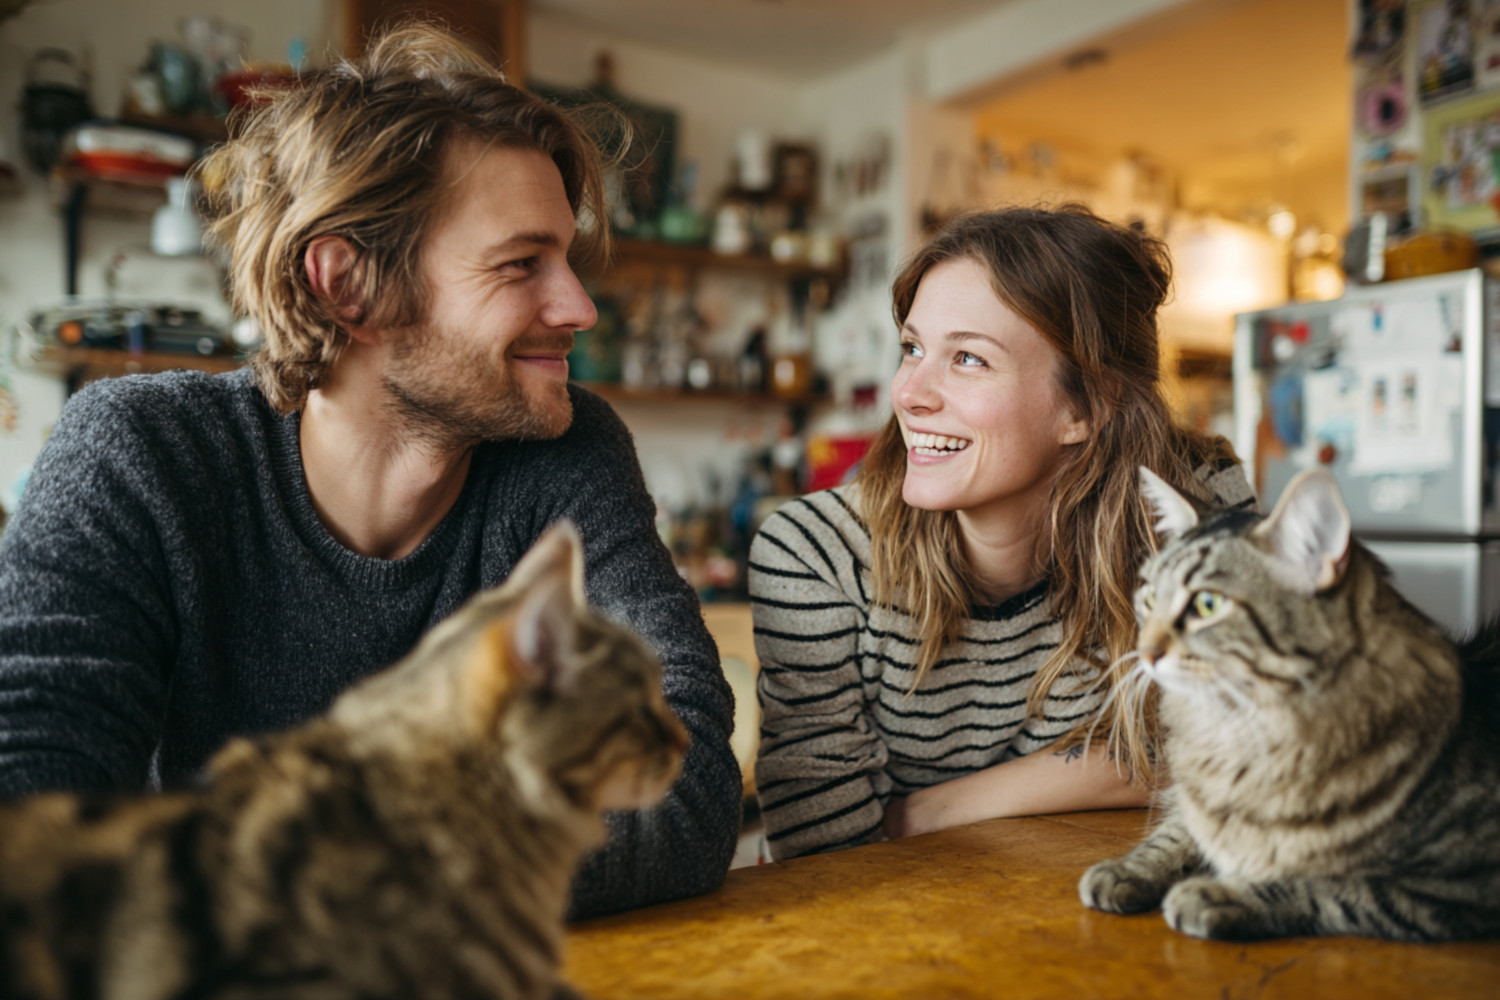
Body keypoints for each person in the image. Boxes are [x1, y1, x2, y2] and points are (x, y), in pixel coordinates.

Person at [0, 24, 741, 918]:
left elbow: (687, 782)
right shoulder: (140, 456)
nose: (577, 306)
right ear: (347, 286)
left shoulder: (568, 453)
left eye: (568, 261)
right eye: (521, 265)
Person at [751, 206, 1255, 861]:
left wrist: (931, 811)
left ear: (1085, 406)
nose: (909, 392)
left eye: (967, 358)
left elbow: (1269, 738)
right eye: (912, 348)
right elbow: (821, 854)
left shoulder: (1193, 506)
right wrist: (1112, 768)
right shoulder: (817, 555)